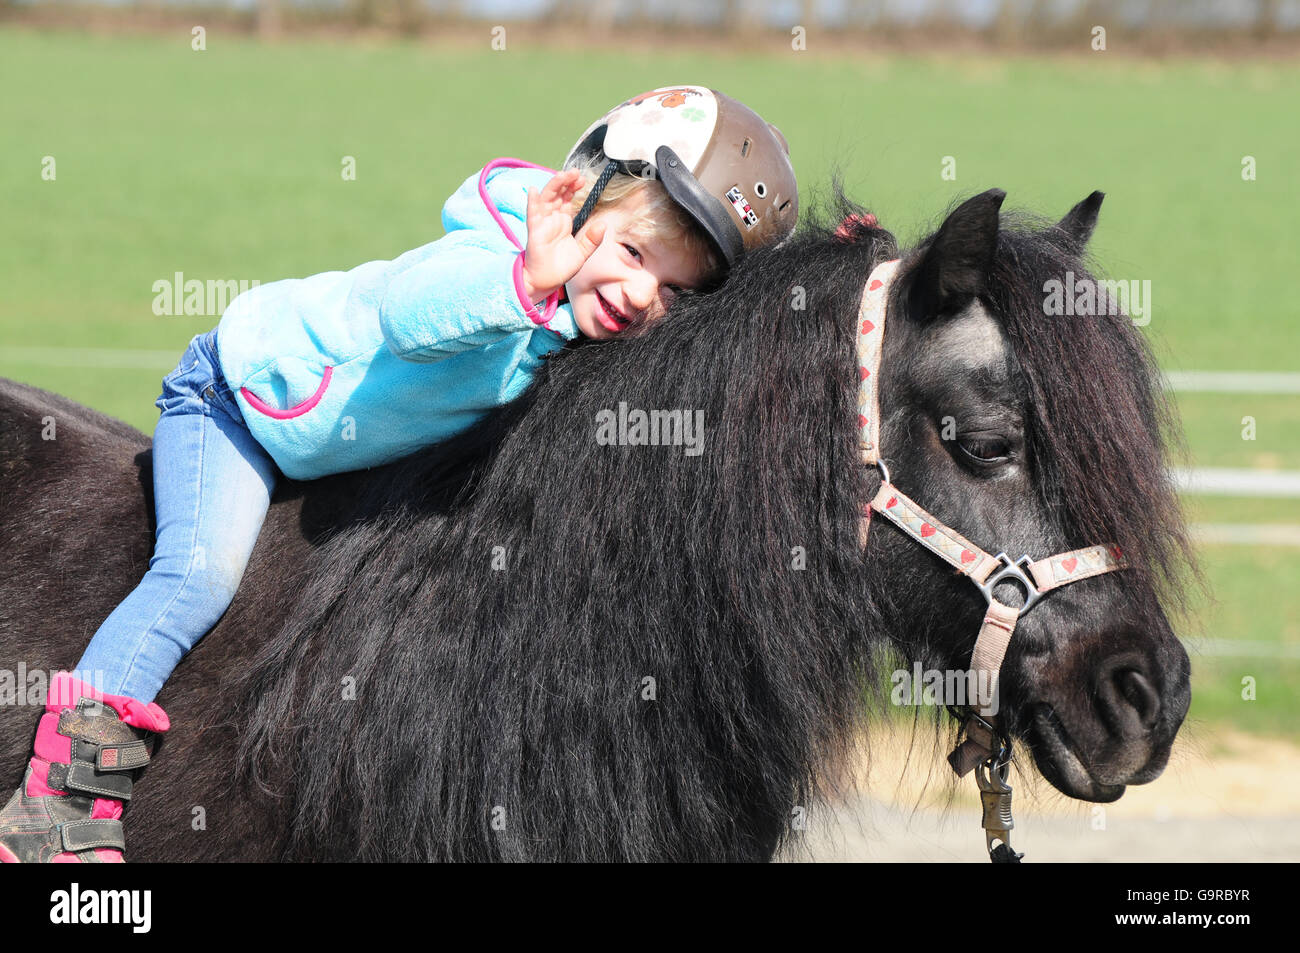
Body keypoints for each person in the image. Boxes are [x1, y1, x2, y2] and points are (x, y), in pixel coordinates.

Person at [0, 85, 798, 863]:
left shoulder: (588, 327)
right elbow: (410, 319)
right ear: (578, 197)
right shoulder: (502, 254)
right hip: (238, 406)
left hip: (338, 448)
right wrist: (526, 280)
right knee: (196, 576)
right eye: (629, 253)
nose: (637, 292)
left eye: (672, 290)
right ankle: (57, 802)